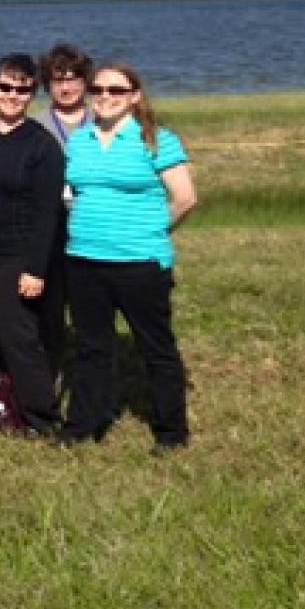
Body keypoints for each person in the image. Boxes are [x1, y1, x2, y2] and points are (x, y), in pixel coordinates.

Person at [60, 63, 198, 452]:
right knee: (92, 348)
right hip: (84, 260)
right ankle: (83, 426)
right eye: (98, 89)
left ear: (134, 96)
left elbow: (185, 198)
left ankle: (171, 432)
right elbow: (73, 194)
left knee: (156, 348)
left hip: (141, 263)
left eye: (115, 91)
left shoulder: (157, 140)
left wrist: (152, 232)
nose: (104, 97)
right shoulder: (80, 140)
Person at [0, 54, 67, 437]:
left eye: (22, 89)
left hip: (19, 255)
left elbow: (48, 214)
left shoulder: (42, 147)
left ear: (33, 94)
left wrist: (35, 269)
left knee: (17, 337)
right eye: (6, 87)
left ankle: (41, 418)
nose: (12, 96)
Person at [37, 43, 94, 148]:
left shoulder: (101, 122)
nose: (65, 88)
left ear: (85, 81)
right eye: (58, 81)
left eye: (71, 80)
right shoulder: (37, 127)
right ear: (47, 84)